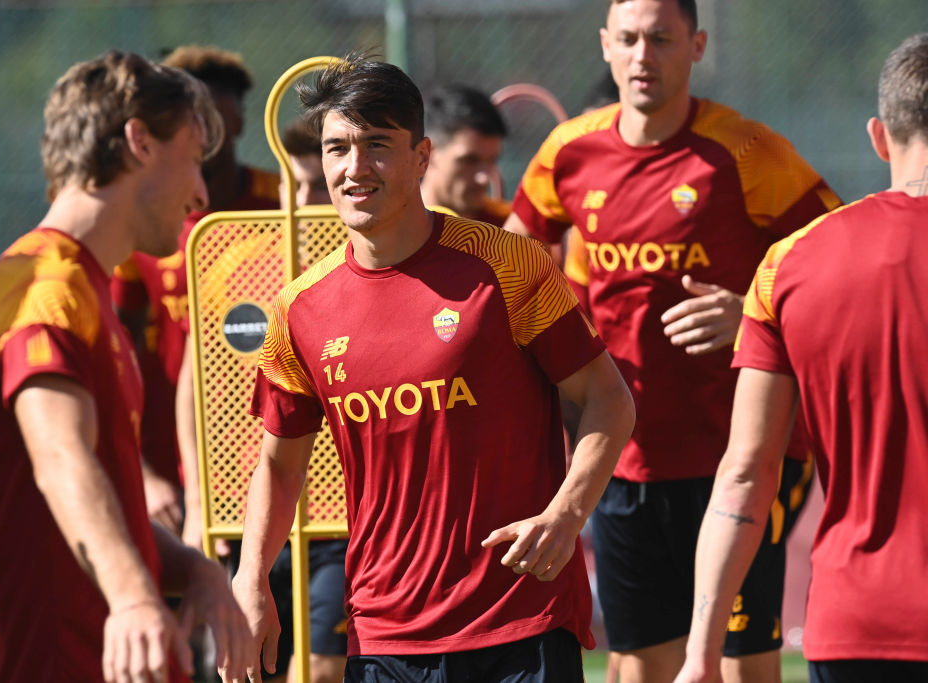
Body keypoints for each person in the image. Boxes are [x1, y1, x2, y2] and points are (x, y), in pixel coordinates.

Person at [231, 54, 636, 683]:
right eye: (337, 148)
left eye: (377, 145)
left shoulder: (509, 265)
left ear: (422, 157)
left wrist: (565, 516)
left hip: (517, 620)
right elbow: (279, 468)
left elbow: (609, 400)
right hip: (384, 634)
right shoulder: (300, 308)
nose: (354, 168)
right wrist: (251, 578)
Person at [503, 1, 841, 681]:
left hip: (739, 459)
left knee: (743, 664)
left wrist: (750, 311)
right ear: (605, 46)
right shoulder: (567, 151)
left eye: (661, 39)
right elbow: (513, 266)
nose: (642, 55)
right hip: (623, 456)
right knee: (638, 664)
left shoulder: (746, 150)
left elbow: (839, 261)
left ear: (697, 45)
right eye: (627, 39)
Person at [0, 50, 249, 682]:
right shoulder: (42, 282)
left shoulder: (85, 286)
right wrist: (133, 597)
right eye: (193, 160)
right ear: (138, 141)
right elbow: (59, 457)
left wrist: (194, 568)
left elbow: (110, 500)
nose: (201, 192)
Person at [675, 33, 928, 683]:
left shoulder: (792, 262)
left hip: (857, 628)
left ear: (879, 136)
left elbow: (745, 472)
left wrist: (703, 650)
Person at [109, 45, 281, 550]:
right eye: (194, 131)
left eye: (218, 126)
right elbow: (119, 352)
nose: (207, 145)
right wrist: (141, 470)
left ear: (240, 122)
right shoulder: (144, 224)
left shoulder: (284, 203)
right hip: (174, 463)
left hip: (273, 449)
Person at [265, 118, 348, 683]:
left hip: (347, 517)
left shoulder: (372, 265)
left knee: (319, 669)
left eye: (316, 185)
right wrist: (201, 495)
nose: (303, 202)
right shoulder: (237, 259)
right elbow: (199, 376)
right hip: (269, 511)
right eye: (292, 185)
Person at [420, 83, 511, 224]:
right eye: (470, 160)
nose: (484, 178)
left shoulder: (510, 229)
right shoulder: (388, 228)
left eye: (492, 161)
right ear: (427, 154)